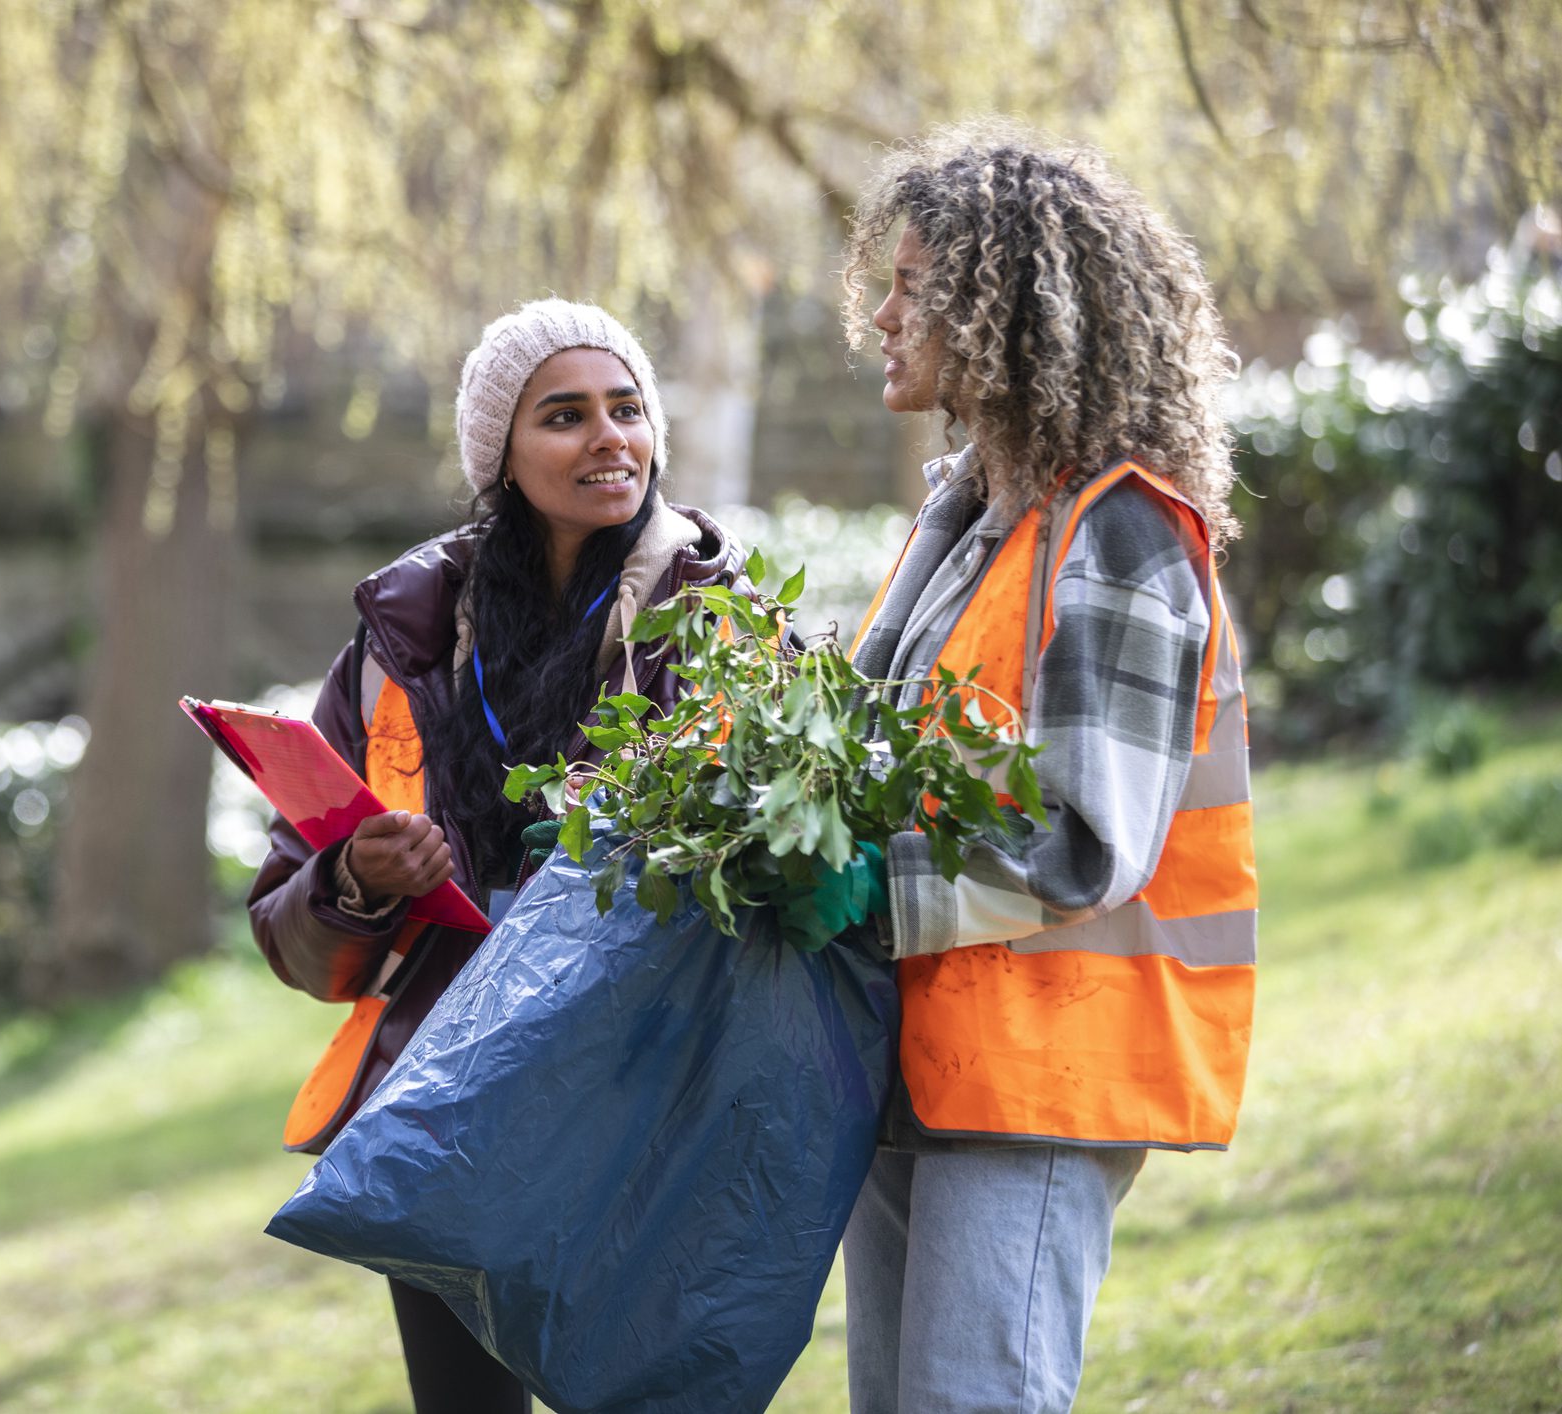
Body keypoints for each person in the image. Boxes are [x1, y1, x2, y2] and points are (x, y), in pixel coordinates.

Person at [249, 300, 746, 1413]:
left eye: (626, 410)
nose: (609, 438)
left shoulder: (719, 619)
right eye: (564, 416)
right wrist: (355, 882)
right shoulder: (401, 634)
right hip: (446, 1102)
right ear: (501, 456)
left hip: (641, 1097)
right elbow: (289, 928)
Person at [835, 124, 1257, 1412]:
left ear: (1001, 306)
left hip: (1037, 1081)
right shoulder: (965, 516)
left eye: (914, 285)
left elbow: (1083, 838)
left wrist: (850, 886)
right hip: (915, 1056)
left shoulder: (1120, 529)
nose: (882, 314)